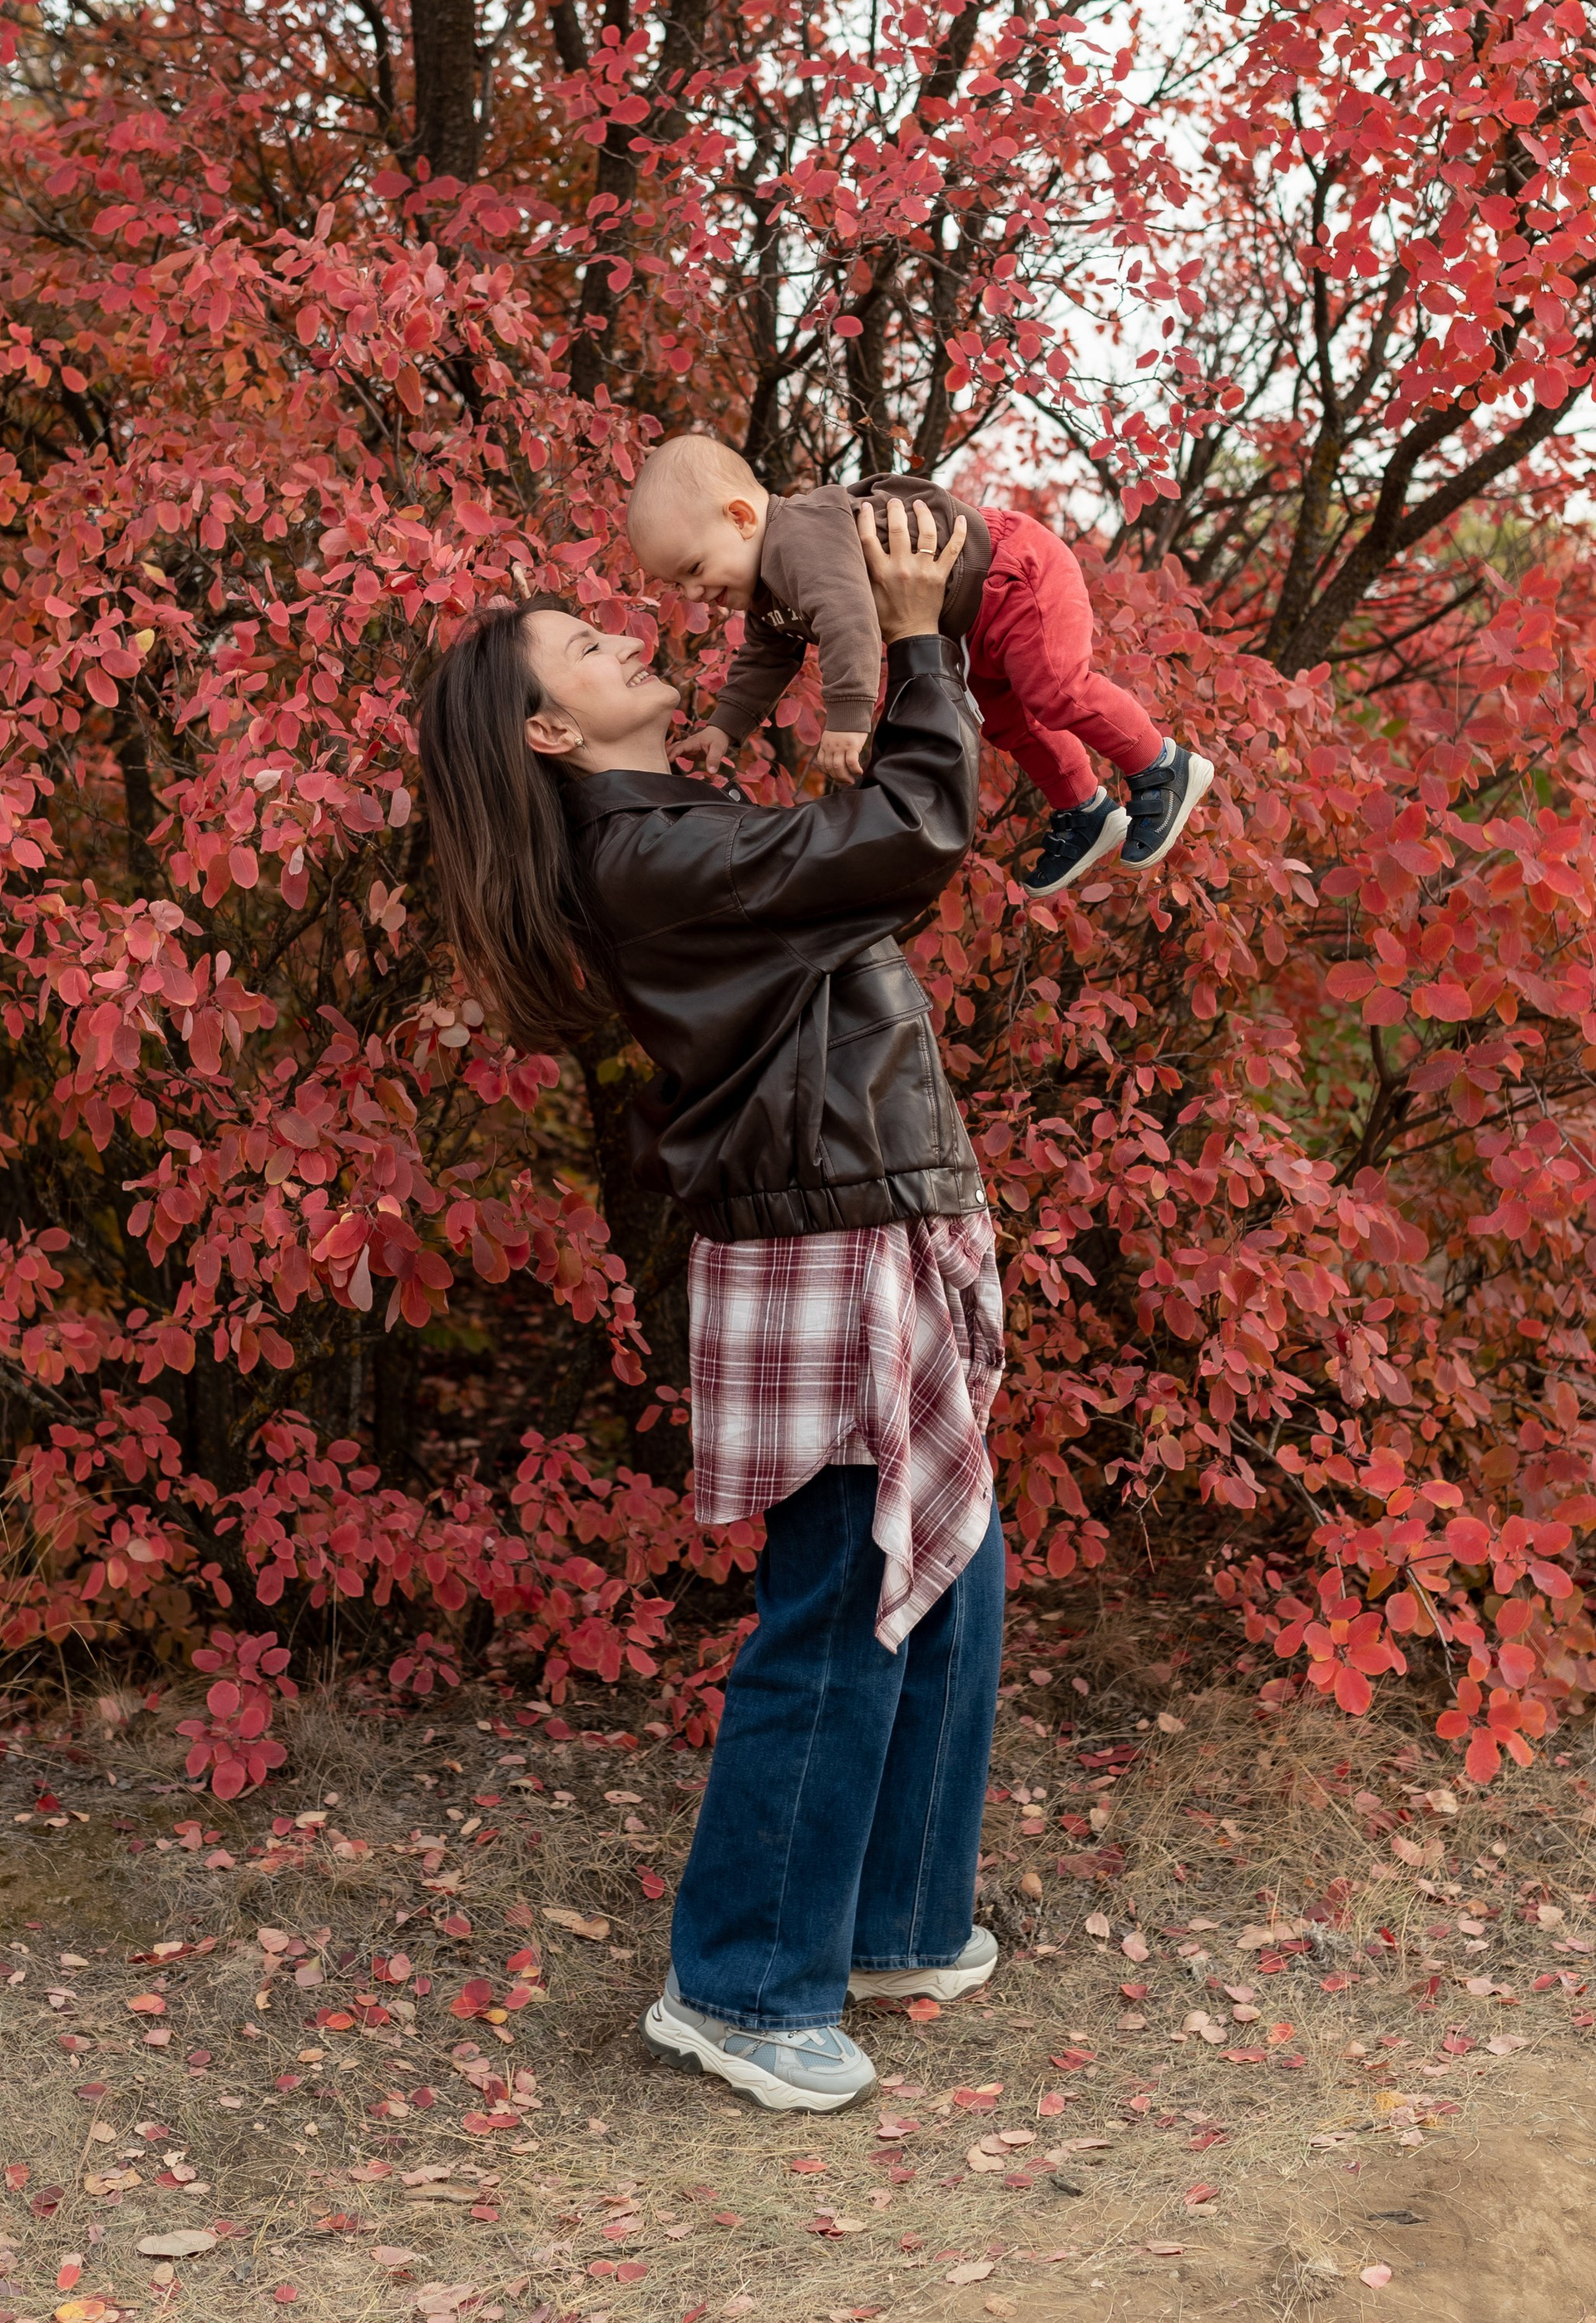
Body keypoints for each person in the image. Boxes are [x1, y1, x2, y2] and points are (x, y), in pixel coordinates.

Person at [413, 502, 1006, 2113]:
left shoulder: (670, 820)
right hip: (818, 1227)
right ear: (549, 728)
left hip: (863, 1203)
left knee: (945, 1572)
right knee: (838, 1596)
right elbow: (906, 839)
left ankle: (887, 1921)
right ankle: (738, 1983)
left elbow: (864, 872)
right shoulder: (645, 854)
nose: (625, 637)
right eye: (582, 650)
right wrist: (915, 642)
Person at [626, 432, 1212, 897]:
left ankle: (1161, 764)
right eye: (677, 582)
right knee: (1008, 723)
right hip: (968, 619)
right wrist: (724, 727)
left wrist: (849, 718)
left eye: (695, 567)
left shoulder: (797, 536)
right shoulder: (767, 594)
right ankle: (1086, 808)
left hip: (1009, 570)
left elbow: (848, 614)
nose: (693, 591)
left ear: (740, 517)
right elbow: (766, 657)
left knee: (1055, 688)